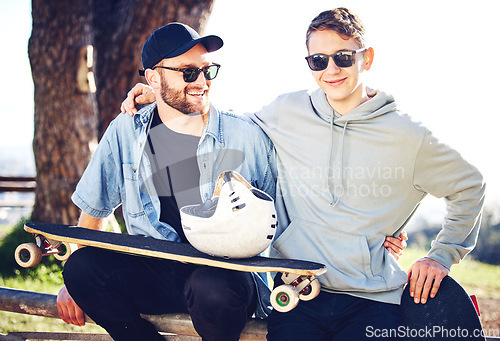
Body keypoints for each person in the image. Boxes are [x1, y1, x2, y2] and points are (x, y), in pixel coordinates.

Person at [122, 8, 485, 340]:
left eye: (343, 57)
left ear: (366, 58)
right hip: (298, 294)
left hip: (373, 301)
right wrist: (166, 95)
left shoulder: (408, 136)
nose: (331, 70)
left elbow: (470, 186)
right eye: (318, 60)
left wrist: (441, 254)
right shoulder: (287, 111)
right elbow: (227, 125)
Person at [56, 23, 279, 341]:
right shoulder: (126, 130)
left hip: (223, 275)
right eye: (188, 73)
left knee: (211, 288)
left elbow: (280, 218)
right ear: (153, 78)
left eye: (208, 71)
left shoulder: (246, 135)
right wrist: (71, 285)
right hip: (155, 269)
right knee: (80, 268)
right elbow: (95, 207)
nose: (202, 82)